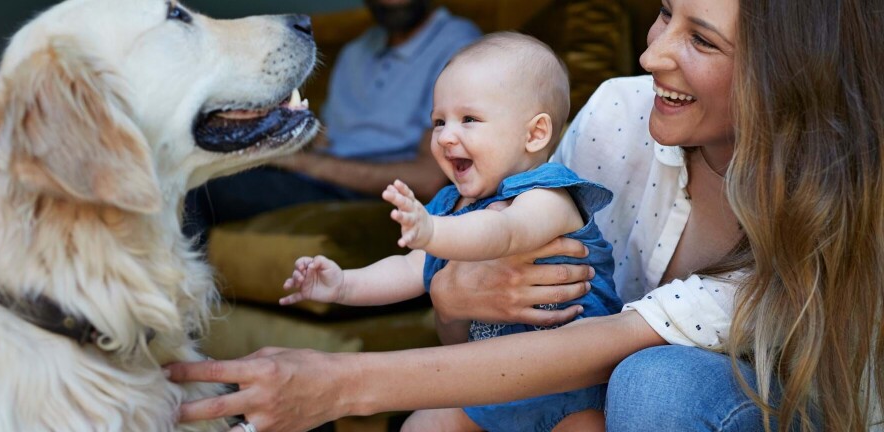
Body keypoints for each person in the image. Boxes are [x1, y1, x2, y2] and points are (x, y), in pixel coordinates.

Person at [167, 0, 884, 431]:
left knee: (658, 382)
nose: (651, 50)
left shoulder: (826, 205)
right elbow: (476, 311)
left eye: (701, 39)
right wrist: (450, 292)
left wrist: (337, 383)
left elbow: (609, 342)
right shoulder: (617, 114)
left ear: (785, 74)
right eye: (666, 12)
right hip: (573, 382)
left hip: (731, 408)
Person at [278, 33, 622, 432]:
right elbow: (410, 270)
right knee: (420, 425)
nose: (445, 136)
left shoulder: (549, 195)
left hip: (572, 388)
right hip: (491, 385)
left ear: (534, 134)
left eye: (469, 120)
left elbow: (503, 232)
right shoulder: (450, 206)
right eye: (438, 121)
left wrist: (433, 230)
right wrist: (342, 286)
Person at [183, 0, 481, 242]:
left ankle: (170, 308)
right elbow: (326, 137)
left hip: (369, 194)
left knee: (200, 188)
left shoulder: (459, 44)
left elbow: (428, 178)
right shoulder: (355, 52)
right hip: (313, 178)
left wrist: (302, 163)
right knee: (195, 171)